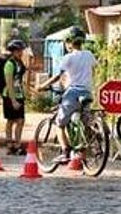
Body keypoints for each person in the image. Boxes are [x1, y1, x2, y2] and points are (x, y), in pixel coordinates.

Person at [37, 26, 97, 163]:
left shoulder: (67, 58)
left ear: (69, 42)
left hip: (73, 92)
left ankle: (65, 151)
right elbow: (93, 69)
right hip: (87, 92)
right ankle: (90, 144)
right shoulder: (89, 55)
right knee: (84, 120)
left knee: (60, 123)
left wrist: (43, 86)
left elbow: (57, 76)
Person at [2, 39, 27, 155]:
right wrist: (13, 100)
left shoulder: (20, 63)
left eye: (21, 50)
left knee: (21, 121)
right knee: (10, 121)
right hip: (9, 95)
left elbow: (20, 80)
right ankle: (9, 145)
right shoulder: (9, 64)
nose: (21, 52)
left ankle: (17, 144)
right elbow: (9, 83)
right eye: (18, 50)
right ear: (13, 51)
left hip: (19, 94)